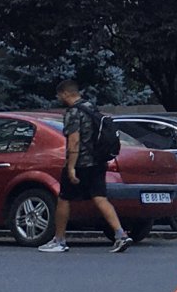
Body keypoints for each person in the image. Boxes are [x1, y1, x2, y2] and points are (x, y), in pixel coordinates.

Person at [43, 79, 132, 254]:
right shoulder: (91, 108)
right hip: (98, 161)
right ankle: (120, 235)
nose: (59, 98)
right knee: (100, 197)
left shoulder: (73, 112)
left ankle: (59, 240)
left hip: (81, 163)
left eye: (60, 95)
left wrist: (71, 167)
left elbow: (74, 141)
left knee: (64, 198)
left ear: (66, 93)